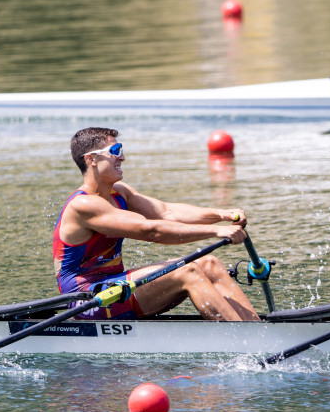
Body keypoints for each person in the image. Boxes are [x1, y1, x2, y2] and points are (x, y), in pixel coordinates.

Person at [53, 127, 259, 321]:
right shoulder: (84, 205)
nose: (122, 157)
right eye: (115, 150)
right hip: (86, 299)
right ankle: (247, 342)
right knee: (188, 271)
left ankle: (257, 329)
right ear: (91, 159)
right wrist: (216, 231)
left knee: (209, 263)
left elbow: (165, 212)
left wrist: (222, 214)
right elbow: (151, 230)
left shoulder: (120, 192)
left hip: (114, 286)